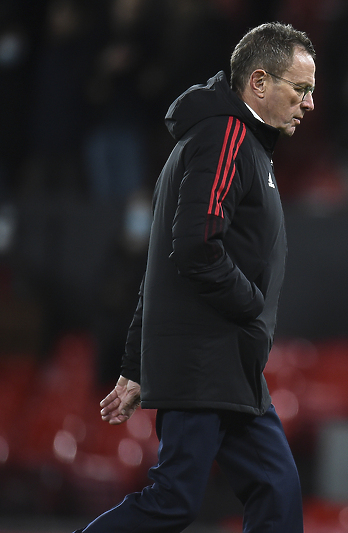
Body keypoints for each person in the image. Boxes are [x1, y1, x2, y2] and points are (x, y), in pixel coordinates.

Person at [73, 22, 316, 533]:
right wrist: (250, 306)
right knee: (174, 502)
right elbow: (194, 248)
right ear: (258, 82)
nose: (309, 104)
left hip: (229, 366)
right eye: (300, 89)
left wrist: (138, 362)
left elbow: (159, 265)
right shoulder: (225, 135)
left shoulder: (240, 139)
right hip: (204, 363)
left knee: (278, 491)